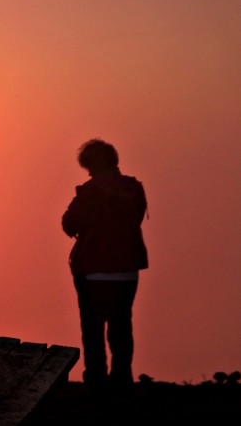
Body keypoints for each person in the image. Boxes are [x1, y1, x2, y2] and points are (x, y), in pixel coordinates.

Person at [62, 138, 148, 391]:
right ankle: (122, 378)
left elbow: (69, 223)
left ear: (92, 164)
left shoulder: (90, 191)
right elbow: (137, 219)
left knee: (93, 327)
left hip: (92, 268)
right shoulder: (134, 190)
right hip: (127, 268)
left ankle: (96, 379)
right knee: (122, 325)